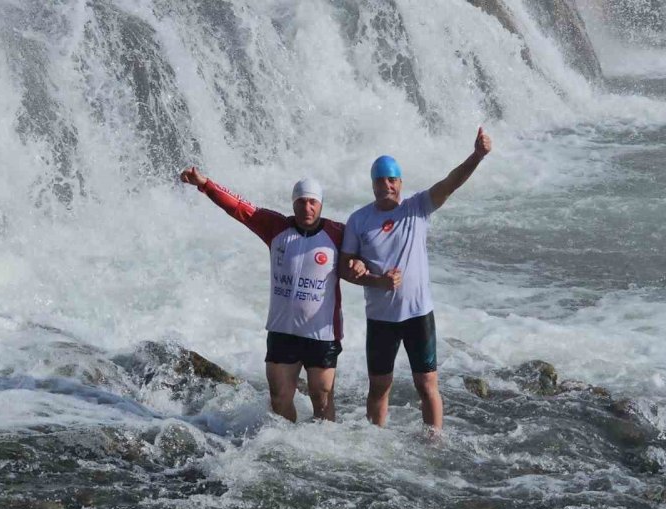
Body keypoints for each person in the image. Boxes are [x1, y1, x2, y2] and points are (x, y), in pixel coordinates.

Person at [339, 127, 492, 431]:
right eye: (381, 180)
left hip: (418, 314)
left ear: (400, 183)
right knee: (379, 388)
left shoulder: (417, 208)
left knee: (426, 385)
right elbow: (345, 269)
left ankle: (434, 443)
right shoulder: (358, 220)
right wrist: (372, 278)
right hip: (381, 318)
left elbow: (450, 183)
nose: (387, 186)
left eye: (392, 180)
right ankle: (375, 442)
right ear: (372, 185)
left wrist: (477, 156)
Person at [180, 167, 344, 422]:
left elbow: (371, 250)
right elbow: (239, 208)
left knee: (321, 398)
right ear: (294, 203)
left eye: (313, 202)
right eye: (301, 201)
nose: (307, 207)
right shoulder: (276, 227)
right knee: (279, 398)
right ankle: (289, 444)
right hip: (282, 330)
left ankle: (323, 451)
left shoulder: (338, 234)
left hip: (321, 333)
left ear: (321, 204)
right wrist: (205, 184)